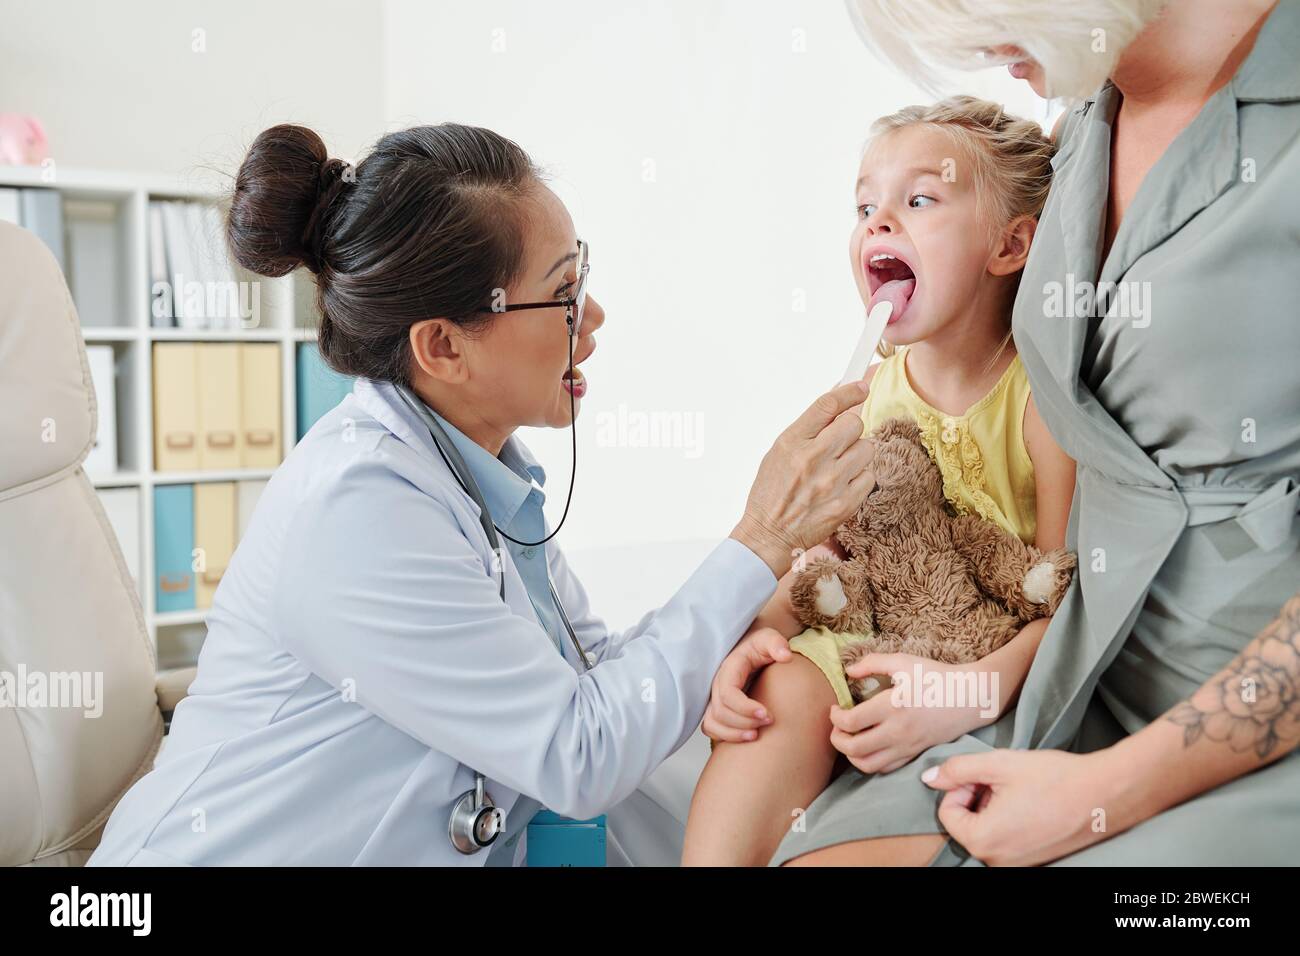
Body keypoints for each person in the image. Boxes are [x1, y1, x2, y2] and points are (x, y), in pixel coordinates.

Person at [87, 122, 879, 866]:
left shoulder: (477, 470)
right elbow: (579, 754)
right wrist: (762, 537)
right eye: (564, 293)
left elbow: (592, 675)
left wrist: (737, 632)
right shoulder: (357, 508)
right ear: (443, 346)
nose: (594, 317)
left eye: (585, 278)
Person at [713, 0, 1300, 866]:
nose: (972, 49)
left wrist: (1106, 793)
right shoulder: (1079, 132)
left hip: (1235, 707)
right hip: (1073, 668)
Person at [683, 96, 1076, 865]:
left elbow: (1068, 602)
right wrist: (755, 638)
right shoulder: (874, 392)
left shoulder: (1039, 404)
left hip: (982, 655)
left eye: (919, 199)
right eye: (865, 205)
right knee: (782, 687)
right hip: (871, 632)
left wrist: (967, 691)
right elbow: (821, 554)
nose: (877, 223)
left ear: (1010, 245)